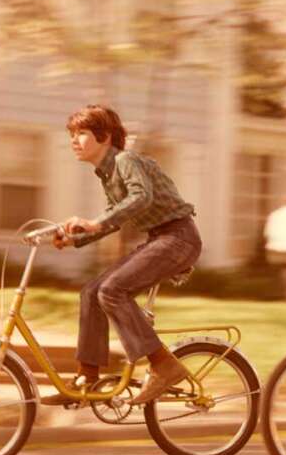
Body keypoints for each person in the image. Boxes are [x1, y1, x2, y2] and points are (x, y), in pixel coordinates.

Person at [43, 104, 202, 407]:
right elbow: (114, 218)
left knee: (112, 290)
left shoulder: (126, 160)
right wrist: (74, 237)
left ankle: (163, 365)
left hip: (178, 238)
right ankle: (87, 380)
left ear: (104, 137)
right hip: (161, 239)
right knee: (92, 292)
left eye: (82, 133)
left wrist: (96, 222)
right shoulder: (107, 172)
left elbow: (141, 197)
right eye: (72, 135)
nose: (74, 141)